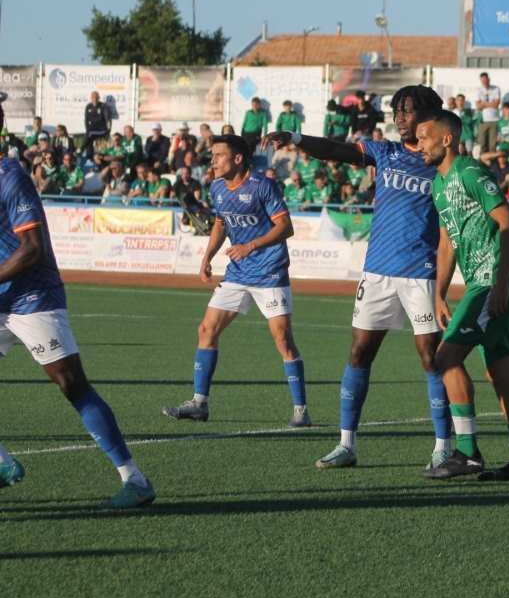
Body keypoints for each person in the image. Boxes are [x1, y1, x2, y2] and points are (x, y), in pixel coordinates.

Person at [263, 86, 455, 471]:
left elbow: (477, 192)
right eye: (396, 111)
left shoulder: (444, 163)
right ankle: (346, 444)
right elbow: (338, 151)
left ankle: (443, 447)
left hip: (422, 274)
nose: (400, 118)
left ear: (430, 116)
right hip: (377, 273)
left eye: (408, 111)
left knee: (431, 359)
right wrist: (297, 138)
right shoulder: (386, 152)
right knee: (358, 352)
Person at [0, 96, 155, 507]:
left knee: (71, 384)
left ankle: (134, 480)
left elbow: (31, 248)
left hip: (33, 296)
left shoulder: (10, 175)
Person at [416, 109, 509, 480]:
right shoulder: (438, 185)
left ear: (447, 139)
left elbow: (506, 222)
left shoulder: (469, 172)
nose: (419, 144)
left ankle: (468, 453)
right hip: (482, 280)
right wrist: (439, 292)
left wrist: (500, 282)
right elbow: (446, 243)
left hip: (491, 278)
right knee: (500, 371)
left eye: (424, 137)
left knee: (445, 358)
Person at [162, 135, 309, 428]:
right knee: (206, 329)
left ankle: (301, 410)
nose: (212, 160)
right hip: (238, 273)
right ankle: (199, 403)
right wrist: (207, 257)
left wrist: (250, 246)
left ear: (238, 158)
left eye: (218, 155)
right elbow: (220, 223)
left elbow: (285, 227)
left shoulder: (262, 185)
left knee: (282, 340)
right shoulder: (217, 187)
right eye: (212, 155)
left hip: (269, 272)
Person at [475, 72, 501, 154]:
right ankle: (482, 162)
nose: (484, 82)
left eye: (486, 80)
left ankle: (492, 164)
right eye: (482, 81)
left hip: (494, 120)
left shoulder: (496, 89)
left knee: (492, 145)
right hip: (483, 120)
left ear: (489, 79)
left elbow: (496, 104)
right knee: (482, 143)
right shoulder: (479, 90)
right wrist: (490, 104)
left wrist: (483, 103)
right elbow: (478, 106)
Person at [83, 91, 112, 160]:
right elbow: (86, 119)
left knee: (89, 136)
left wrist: (108, 131)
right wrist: (87, 129)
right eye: (93, 97)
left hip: (101, 129)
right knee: (88, 137)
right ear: (91, 98)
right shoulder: (88, 106)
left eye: (96, 97)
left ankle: (81, 149)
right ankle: (89, 157)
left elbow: (108, 120)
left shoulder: (103, 106)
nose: (94, 99)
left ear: (99, 98)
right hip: (92, 130)